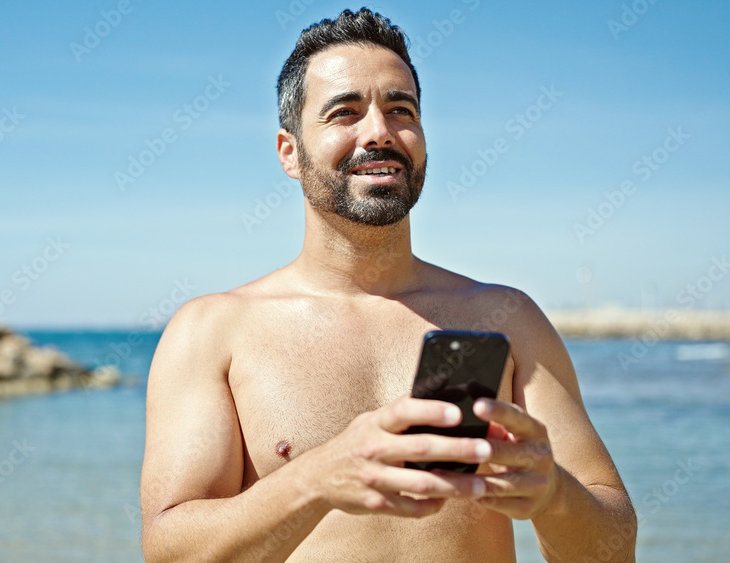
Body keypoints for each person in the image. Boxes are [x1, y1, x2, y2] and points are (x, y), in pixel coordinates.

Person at [139, 8, 636, 562]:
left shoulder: (506, 318)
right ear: (290, 153)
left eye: (401, 110)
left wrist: (552, 495)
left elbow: (613, 551)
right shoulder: (212, 331)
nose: (379, 132)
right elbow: (171, 554)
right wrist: (318, 477)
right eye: (344, 113)